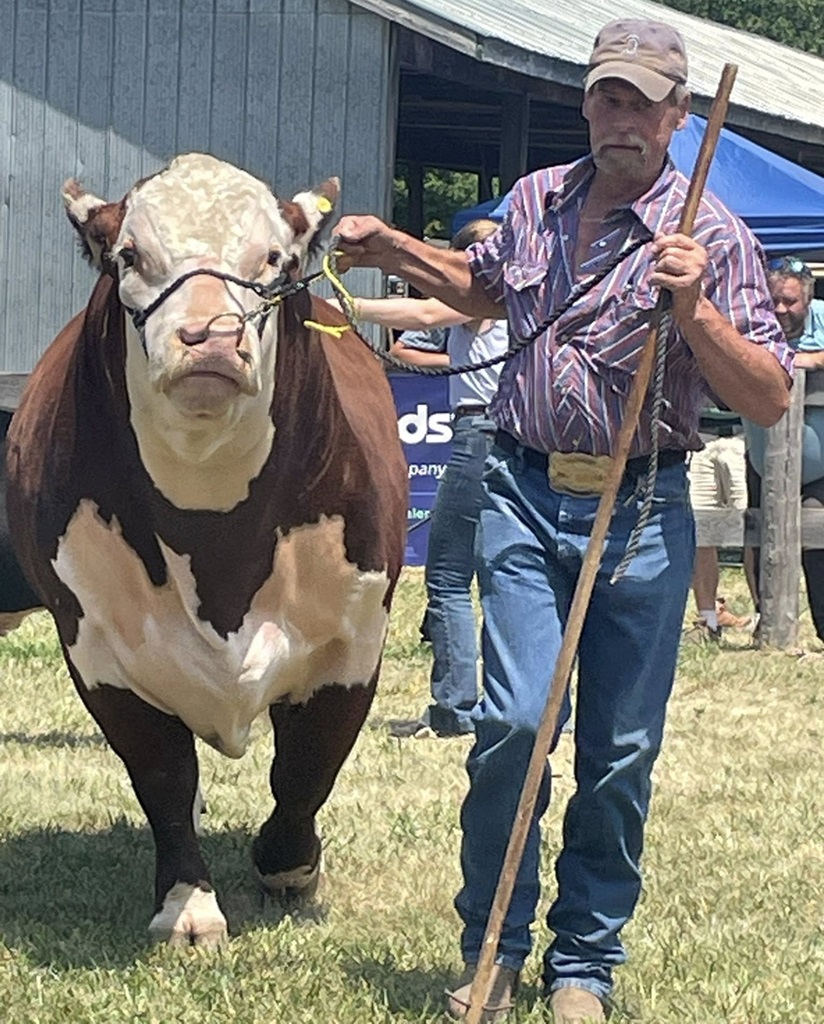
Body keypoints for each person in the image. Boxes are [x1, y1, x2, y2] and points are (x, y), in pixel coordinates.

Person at [335, 17, 793, 1023]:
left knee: (619, 750)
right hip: (520, 489)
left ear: (677, 114)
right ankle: (490, 946)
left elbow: (762, 396)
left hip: (643, 509)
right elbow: (483, 289)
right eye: (603, 97)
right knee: (511, 723)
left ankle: (582, 963)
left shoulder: (709, 234)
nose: (617, 119)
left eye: (639, 103)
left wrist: (696, 314)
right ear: (583, 101)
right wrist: (395, 247)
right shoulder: (538, 200)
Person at [350, 220, 509, 739]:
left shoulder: (481, 292)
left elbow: (421, 312)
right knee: (514, 577)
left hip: (479, 429)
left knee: (446, 576)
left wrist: (347, 308)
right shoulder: (526, 291)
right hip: (515, 433)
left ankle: (454, 708)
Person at [744, 255, 824, 641]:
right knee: (759, 542)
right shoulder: (752, 319)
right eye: (774, 299)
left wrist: (808, 361)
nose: (780, 309)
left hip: (819, 470)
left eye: (789, 301)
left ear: (808, 299)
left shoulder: (823, 316)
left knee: (819, 549)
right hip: (763, 462)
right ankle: (769, 626)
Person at [686, 404, 754, 640]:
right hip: (697, 437)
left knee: (756, 530)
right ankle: (709, 620)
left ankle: (765, 618)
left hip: (747, 436)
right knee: (700, 532)